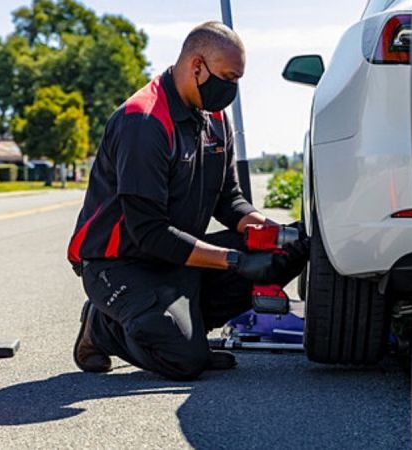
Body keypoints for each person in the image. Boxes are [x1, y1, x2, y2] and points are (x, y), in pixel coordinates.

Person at [66, 22, 308, 381]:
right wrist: (235, 261)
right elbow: (149, 233)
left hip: (177, 256)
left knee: (290, 247)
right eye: (227, 77)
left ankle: (182, 328)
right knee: (184, 359)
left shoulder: (214, 118)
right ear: (197, 66)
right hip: (121, 264)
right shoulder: (144, 122)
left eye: (238, 79)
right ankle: (102, 326)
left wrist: (267, 230)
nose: (232, 90)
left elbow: (229, 199)